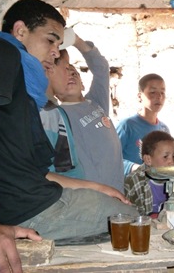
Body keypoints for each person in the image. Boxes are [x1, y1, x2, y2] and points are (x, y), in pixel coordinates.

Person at [0, 0, 136, 272]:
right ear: (20, 31)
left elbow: (35, 172)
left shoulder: (22, 92)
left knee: (121, 210)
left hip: (34, 196)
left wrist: (96, 187)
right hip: (24, 208)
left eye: (59, 44)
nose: (55, 51)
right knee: (127, 220)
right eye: (50, 40)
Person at [40, 28, 124, 192]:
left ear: (83, 84)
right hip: (94, 192)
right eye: (66, 71)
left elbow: (101, 68)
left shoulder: (96, 103)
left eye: (74, 72)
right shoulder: (58, 115)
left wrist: (77, 41)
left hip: (118, 187)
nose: (71, 75)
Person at [116, 73, 170, 176]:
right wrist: (136, 168)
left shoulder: (164, 130)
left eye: (162, 92)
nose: (159, 97)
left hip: (155, 186)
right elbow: (110, 159)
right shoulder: (127, 126)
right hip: (130, 187)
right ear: (140, 96)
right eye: (153, 92)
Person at [124, 130, 174, 216]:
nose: (172, 162)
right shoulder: (134, 182)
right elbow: (129, 216)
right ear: (148, 160)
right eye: (165, 156)